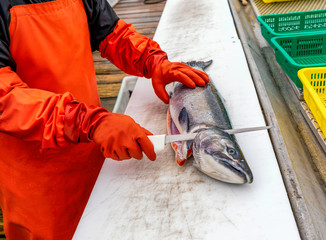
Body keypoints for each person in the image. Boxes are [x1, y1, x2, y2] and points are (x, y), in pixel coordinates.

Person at [0, 0, 209, 239]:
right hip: (36, 177)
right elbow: (5, 99)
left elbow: (113, 34)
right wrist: (87, 121)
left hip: (93, 147)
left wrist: (152, 60)